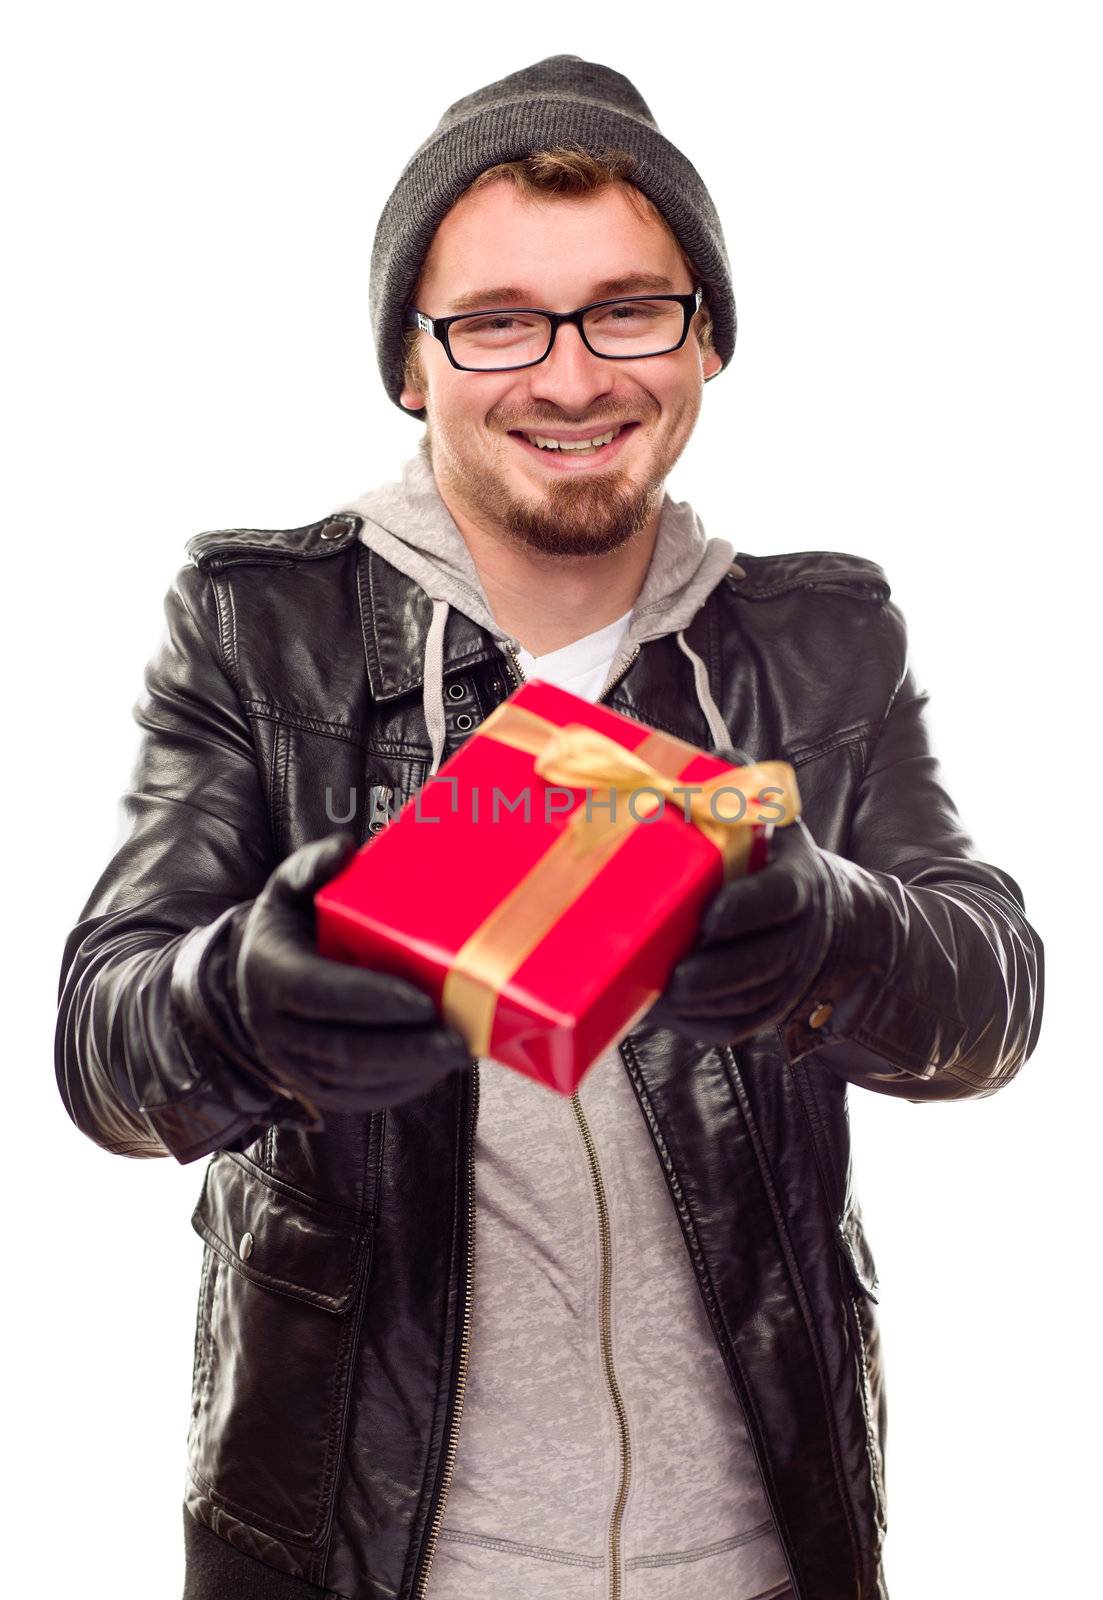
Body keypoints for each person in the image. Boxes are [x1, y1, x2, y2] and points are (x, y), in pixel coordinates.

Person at [54, 54, 1044, 1600]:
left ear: (707, 335)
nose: (572, 378)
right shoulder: (262, 627)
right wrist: (240, 1001)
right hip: (358, 1558)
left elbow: (993, 1000)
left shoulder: (822, 638)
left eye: (629, 310)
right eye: (500, 320)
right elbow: (103, 1042)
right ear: (411, 359)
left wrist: (839, 932)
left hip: (763, 1559)